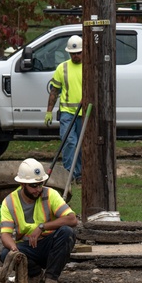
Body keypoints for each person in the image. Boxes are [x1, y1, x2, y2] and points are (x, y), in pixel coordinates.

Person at [0, 158, 79, 283]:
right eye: (33, 186)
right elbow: (5, 235)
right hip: (28, 249)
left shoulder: (50, 194)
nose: (38, 189)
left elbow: (72, 220)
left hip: (49, 246)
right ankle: (34, 275)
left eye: (40, 184)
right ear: (23, 184)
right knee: (5, 254)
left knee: (67, 232)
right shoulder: (9, 202)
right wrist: (14, 250)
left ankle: (51, 278)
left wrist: (42, 227)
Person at [45, 35, 85, 183]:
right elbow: (54, 91)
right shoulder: (62, 68)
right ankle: (69, 173)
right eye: (72, 53)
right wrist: (49, 111)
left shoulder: (89, 67)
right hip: (67, 113)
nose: (75, 56)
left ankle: (79, 173)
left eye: (78, 53)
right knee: (69, 142)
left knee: (81, 145)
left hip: (84, 113)